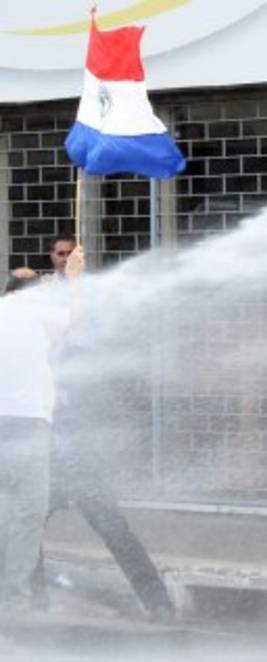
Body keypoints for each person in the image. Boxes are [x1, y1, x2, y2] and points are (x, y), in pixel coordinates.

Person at [42, 247, 176, 620]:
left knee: (114, 529)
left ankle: (158, 602)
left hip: (80, 455)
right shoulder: (28, 339)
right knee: (22, 531)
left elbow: (76, 323)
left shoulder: (79, 331)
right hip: (45, 457)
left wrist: (75, 284)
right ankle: (31, 602)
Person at [0, 249, 76, 613]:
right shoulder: (36, 312)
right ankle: (12, 596)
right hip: (28, 427)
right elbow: (75, 318)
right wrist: (74, 278)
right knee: (28, 513)